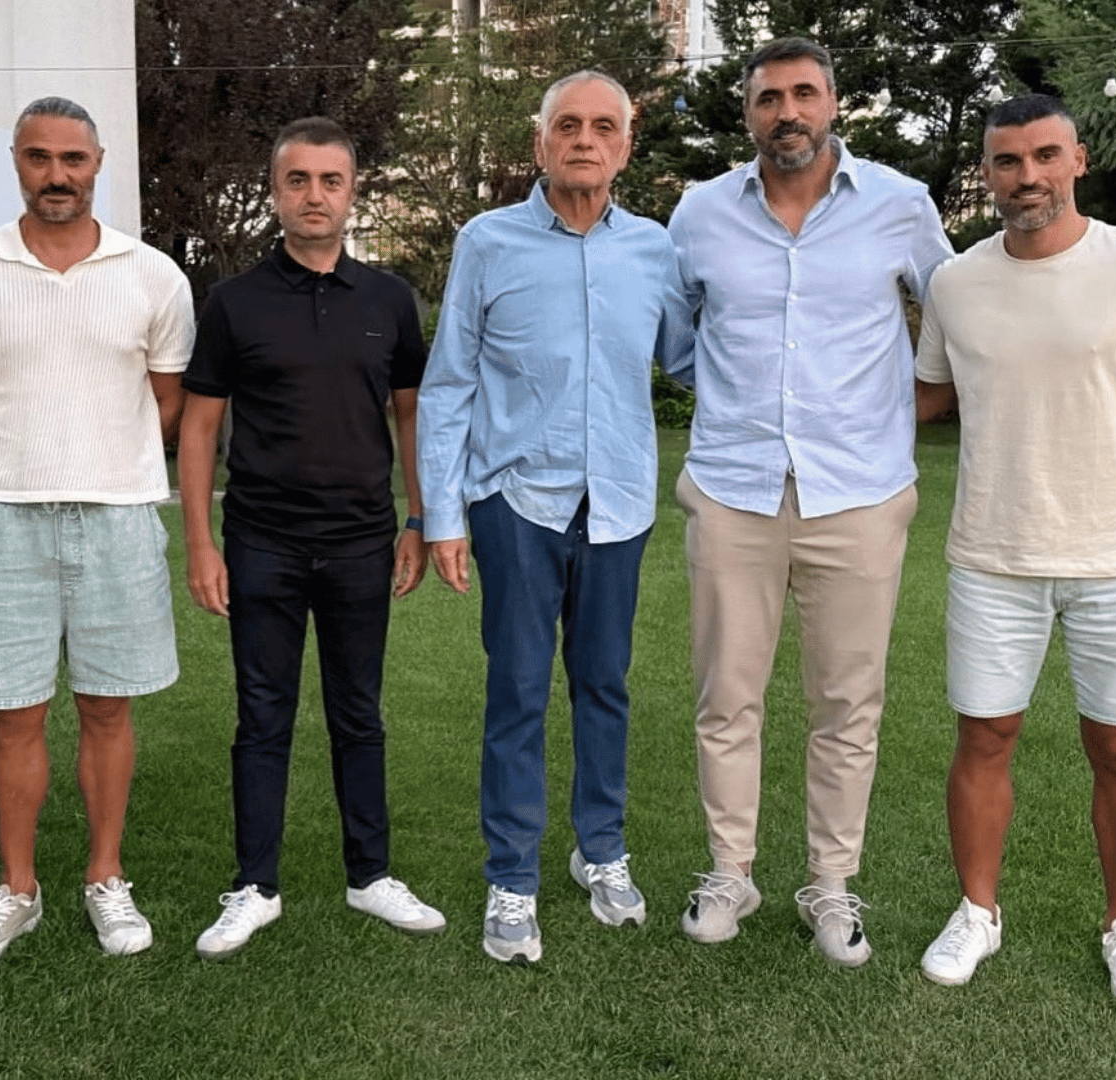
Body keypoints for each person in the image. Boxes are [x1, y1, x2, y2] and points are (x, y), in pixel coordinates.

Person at [913, 93, 1116, 1016]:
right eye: (1009, 161)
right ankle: (977, 912)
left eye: (1046, 156)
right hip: (991, 554)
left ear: (1078, 160)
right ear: (986, 173)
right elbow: (924, 398)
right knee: (983, 738)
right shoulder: (955, 283)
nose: (1029, 176)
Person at [663, 36, 953, 966]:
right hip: (733, 490)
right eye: (768, 98)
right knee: (725, 697)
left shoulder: (901, 205)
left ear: (833, 102)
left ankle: (831, 886)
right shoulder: (700, 213)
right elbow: (676, 341)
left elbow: (957, 321)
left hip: (860, 495)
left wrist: (892, 412)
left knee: (848, 703)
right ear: (747, 112)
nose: (786, 112)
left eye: (803, 94)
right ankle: (730, 872)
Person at [418, 70, 692, 965]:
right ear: (540, 144)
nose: (584, 139)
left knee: (605, 685)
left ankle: (600, 849)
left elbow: (693, 359)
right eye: (567, 125)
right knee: (518, 691)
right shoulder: (487, 242)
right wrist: (442, 515)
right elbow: (449, 383)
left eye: (603, 127)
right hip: (516, 504)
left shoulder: (652, 249)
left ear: (626, 146)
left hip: (618, 505)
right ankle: (512, 875)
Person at [0, 96, 192, 963]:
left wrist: (97, 460)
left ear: (98, 164)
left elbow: (166, 402)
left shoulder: (153, 275)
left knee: (108, 709)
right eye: (38, 157)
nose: (56, 175)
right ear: (16, 162)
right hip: (2, 517)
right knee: (14, 716)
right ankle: (17, 889)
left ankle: (105, 876)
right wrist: (19, 460)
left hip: (118, 515)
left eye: (73, 159)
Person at [179, 117, 445, 960]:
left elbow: (412, 417)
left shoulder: (390, 301)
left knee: (358, 714)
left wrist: (419, 518)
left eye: (331, 180)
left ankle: (370, 874)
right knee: (262, 717)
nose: (315, 195)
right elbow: (198, 427)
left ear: (352, 191)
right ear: (275, 193)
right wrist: (199, 543)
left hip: (364, 541)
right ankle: (255, 886)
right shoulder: (234, 302)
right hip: (262, 543)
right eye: (298, 180)